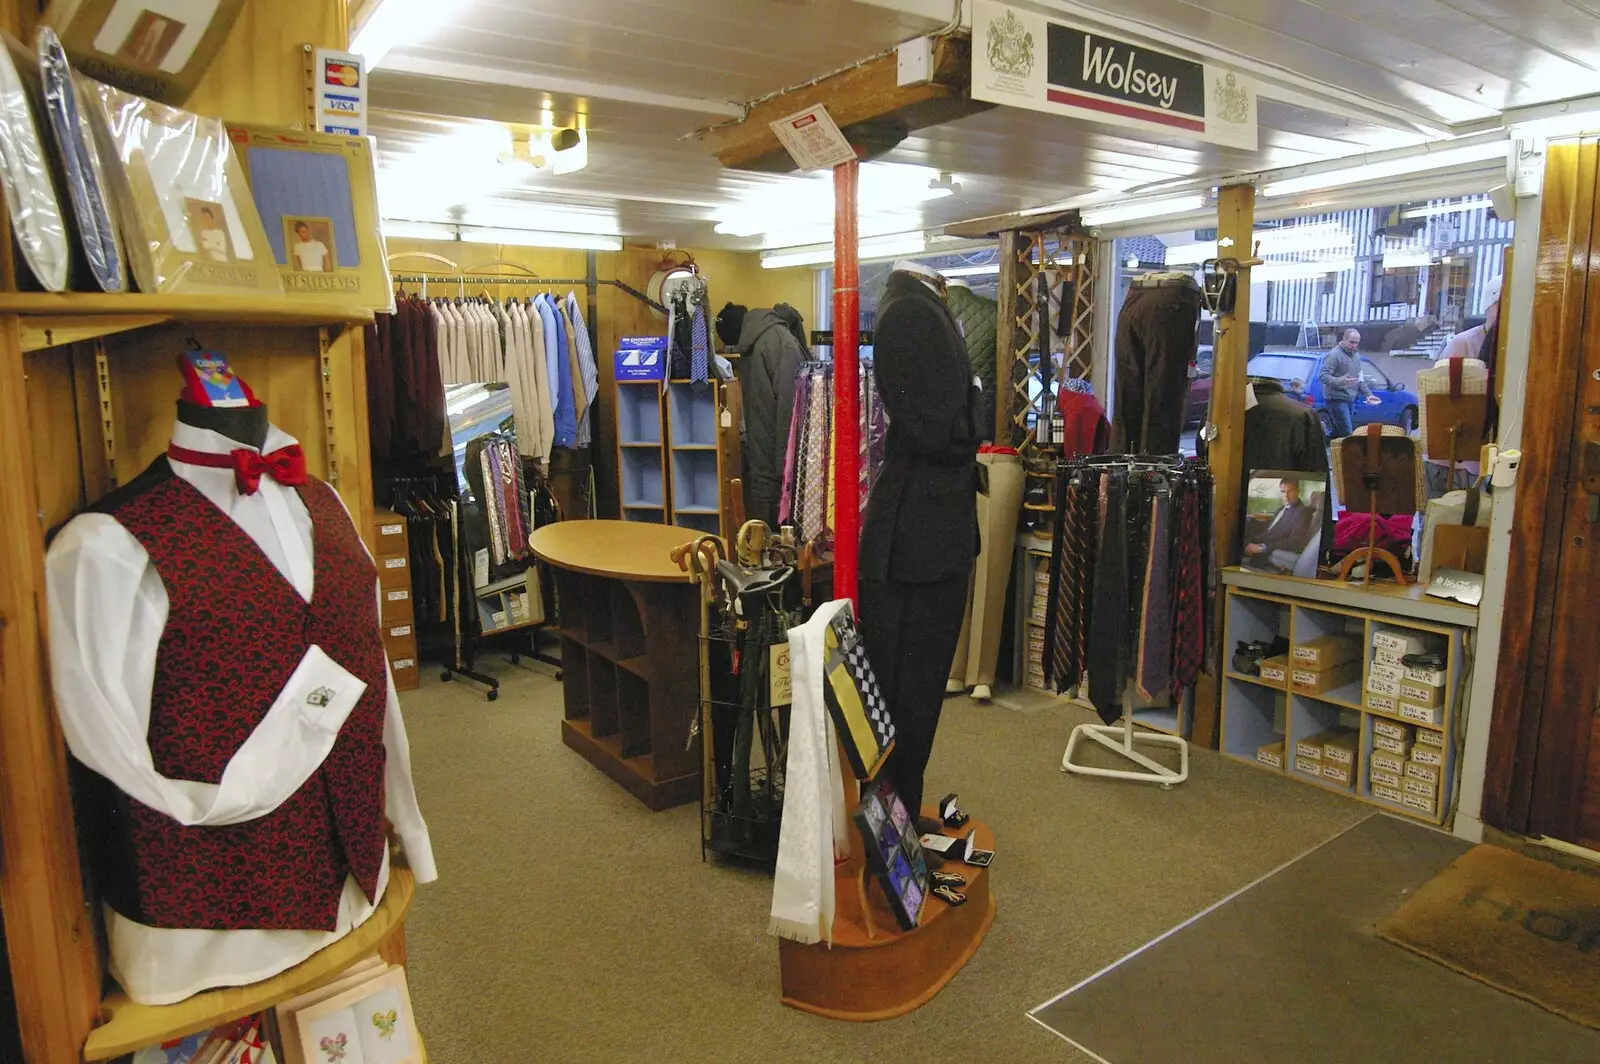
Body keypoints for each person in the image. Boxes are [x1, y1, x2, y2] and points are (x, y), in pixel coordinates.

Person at [859, 260, 981, 831]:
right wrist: (977, 398)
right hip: (918, 543)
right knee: (906, 695)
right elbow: (944, 432)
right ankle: (894, 826)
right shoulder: (910, 315)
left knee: (916, 693)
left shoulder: (914, 310)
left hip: (924, 534)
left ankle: (900, 817)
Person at [715, 304, 805, 529]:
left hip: (774, 475)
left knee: (774, 547)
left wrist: (784, 472)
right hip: (768, 470)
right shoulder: (763, 343)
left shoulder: (777, 344)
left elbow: (789, 414)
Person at [1318, 328, 1380, 437]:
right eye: (1352, 342)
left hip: (1350, 399)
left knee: (1337, 434)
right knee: (1347, 434)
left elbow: (1359, 378)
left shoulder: (1356, 356)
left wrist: (1368, 395)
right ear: (1344, 339)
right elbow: (1323, 376)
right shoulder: (1334, 355)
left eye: (1357, 343)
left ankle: (1323, 450)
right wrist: (1340, 381)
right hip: (1336, 399)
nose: (1354, 345)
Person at [1244, 479, 1317, 565]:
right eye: (1283, 491)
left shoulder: (1302, 512)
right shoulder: (1282, 508)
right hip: (1261, 540)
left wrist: (1263, 547)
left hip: (1269, 549)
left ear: (1298, 491)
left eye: (1290, 491)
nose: (1286, 495)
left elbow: (1294, 542)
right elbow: (1272, 528)